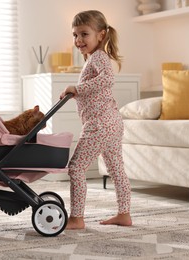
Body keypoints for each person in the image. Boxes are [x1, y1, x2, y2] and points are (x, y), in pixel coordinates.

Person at [60, 10, 132, 230]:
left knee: (76, 168)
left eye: (84, 34)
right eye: (75, 35)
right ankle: (124, 213)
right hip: (111, 123)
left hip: (99, 125)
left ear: (100, 35)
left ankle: (77, 218)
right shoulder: (93, 58)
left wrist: (77, 89)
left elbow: (108, 79)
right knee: (117, 169)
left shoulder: (99, 56)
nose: (78, 40)